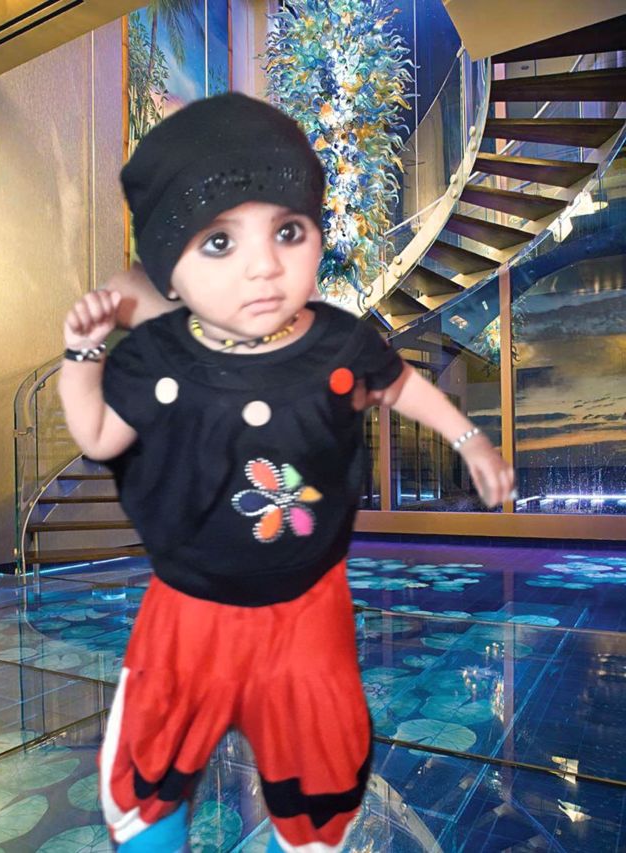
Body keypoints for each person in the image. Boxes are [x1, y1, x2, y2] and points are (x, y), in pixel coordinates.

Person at [59, 92, 515, 853]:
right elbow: (99, 434)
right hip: (188, 614)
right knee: (150, 771)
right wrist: (83, 356)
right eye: (219, 242)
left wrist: (469, 438)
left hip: (308, 610)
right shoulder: (158, 359)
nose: (265, 265)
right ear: (169, 267)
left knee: (319, 775)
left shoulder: (337, 344)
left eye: (289, 231)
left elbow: (400, 385)